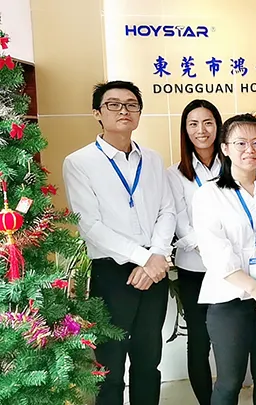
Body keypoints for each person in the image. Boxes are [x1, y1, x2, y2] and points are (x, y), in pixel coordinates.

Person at [62, 80, 176, 405]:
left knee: (148, 362)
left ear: (139, 112)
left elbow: (167, 211)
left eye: (131, 105)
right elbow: (89, 225)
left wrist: (156, 256)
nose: (123, 110)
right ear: (97, 113)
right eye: (113, 104)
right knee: (109, 367)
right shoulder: (79, 162)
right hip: (112, 274)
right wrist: (145, 258)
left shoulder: (152, 159)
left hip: (153, 272)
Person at [192, 114, 256, 405]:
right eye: (240, 143)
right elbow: (215, 252)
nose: (250, 150)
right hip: (230, 299)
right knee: (229, 382)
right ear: (225, 148)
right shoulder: (209, 194)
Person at [166, 99, 223, 405]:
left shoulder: (235, 164)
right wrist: (210, 247)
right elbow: (179, 223)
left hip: (231, 269)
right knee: (199, 342)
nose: (202, 130)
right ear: (185, 130)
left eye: (208, 122)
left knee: (229, 339)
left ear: (218, 126)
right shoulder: (174, 174)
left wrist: (224, 252)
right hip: (195, 269)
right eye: (193, 124)